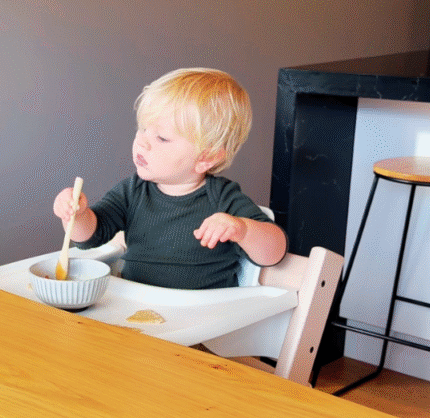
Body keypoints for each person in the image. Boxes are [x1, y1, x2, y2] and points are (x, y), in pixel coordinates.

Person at [53, 67, 286, 290]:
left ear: (207, 157)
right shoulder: (133, 191)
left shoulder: (222, 198)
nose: (142, 142)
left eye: (162, 138)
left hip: (197, 320)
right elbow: (89, 237)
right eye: (142, 129)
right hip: (134, 310)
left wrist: (241, 229)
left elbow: (274, 252)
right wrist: (77, 214)